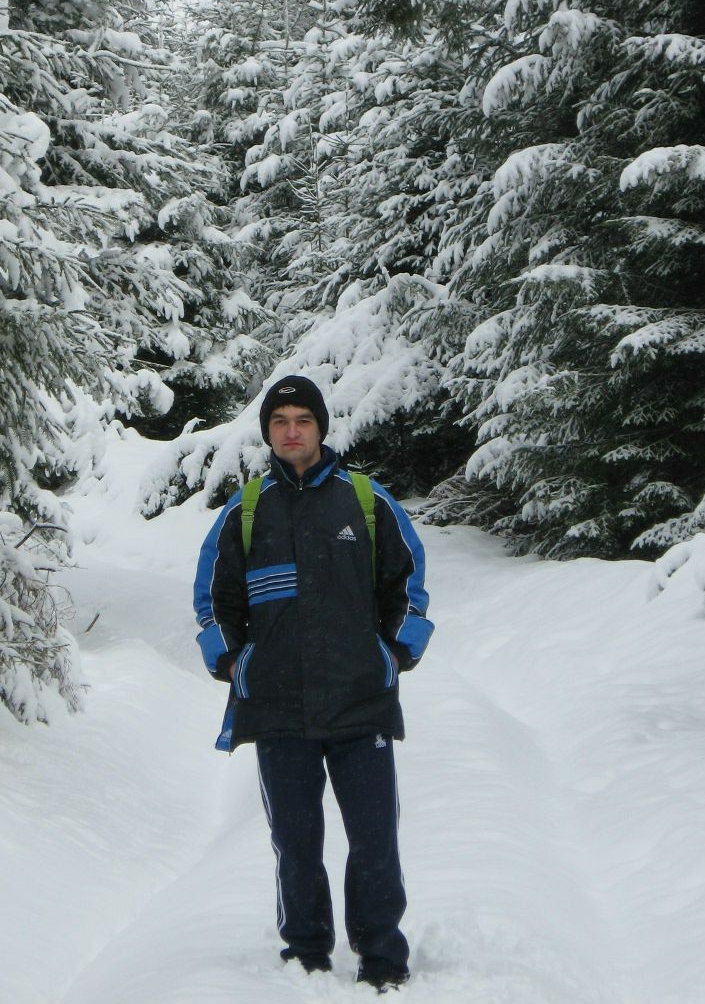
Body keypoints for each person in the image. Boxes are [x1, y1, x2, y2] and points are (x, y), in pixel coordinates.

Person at [193, 375, 434, 992]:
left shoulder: (367, 500)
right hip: (278, 707)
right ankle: (305, 952)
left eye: (303, 419)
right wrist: (233, 661)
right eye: (280, 421)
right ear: (268, 432)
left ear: (321, 427)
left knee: (374, 839)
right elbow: (213, 601)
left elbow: (408, 587)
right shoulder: (246, 511)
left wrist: (393, 654)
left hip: (361, 701)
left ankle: (382, 956)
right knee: (295, 842)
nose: (292, 431)